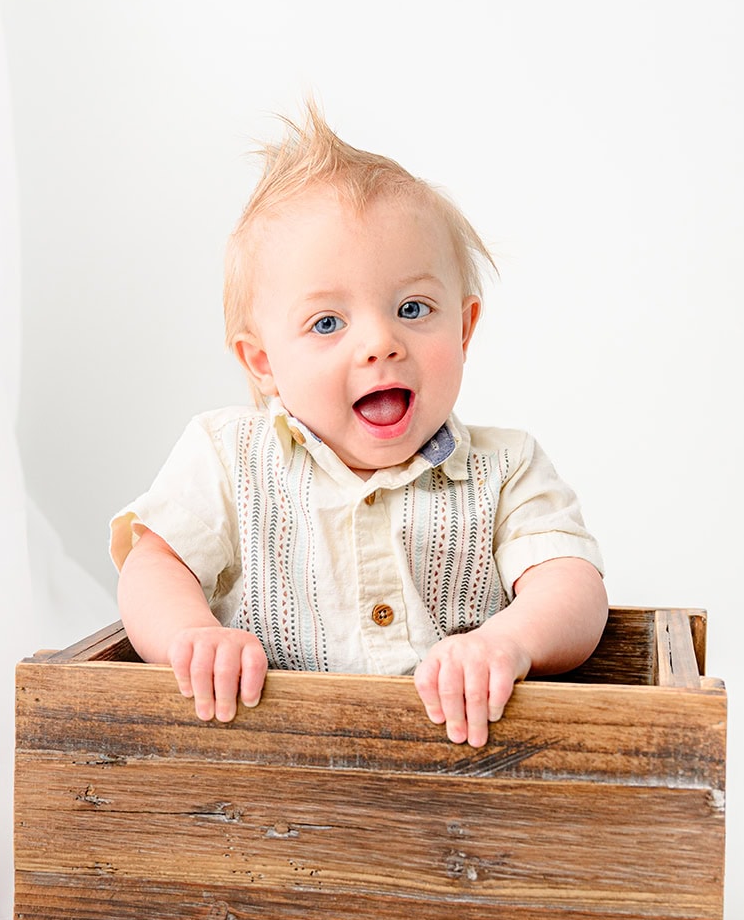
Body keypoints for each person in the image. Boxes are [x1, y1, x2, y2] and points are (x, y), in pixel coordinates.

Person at [111, 102, 606, 748]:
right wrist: (192, 635)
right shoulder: (226, 457)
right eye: (326, 323)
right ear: (262, 363)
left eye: (411, 308)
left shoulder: (505, 468)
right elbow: (154, 564)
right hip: (270, 776)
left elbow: (570, 585)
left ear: (462, 328)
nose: (379, 343)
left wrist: (505, 642)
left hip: (466, 780)